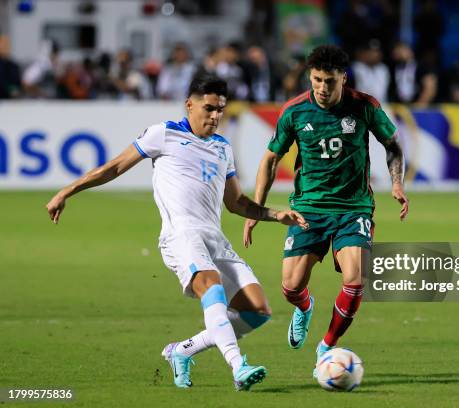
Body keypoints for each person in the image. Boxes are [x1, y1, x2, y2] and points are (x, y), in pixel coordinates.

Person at [45, 76, 308, 390]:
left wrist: (275, 215)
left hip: (215, 238)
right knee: (212, 290)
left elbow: (236, 203)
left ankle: (181, 351)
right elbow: (115, 167)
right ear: (190, 104)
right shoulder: (164, 134)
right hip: (181, 235)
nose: (214, 116)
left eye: (220, 110)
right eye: (208, 108)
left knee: (258, 310)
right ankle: (239, 367)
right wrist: (67, 191)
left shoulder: (223, 148)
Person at [243, 45, 408, 375]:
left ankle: (327, 345)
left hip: (354, 208)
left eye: (329, 81)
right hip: (308, 209)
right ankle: (304, 307)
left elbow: (393, 146)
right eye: (316, 79)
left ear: (343, 78)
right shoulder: (294, 112)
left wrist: (397, 183)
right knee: (290, 288)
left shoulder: (365, 106)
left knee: (355, 278)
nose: (322, 87)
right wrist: (255, 210)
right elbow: (270, 160)